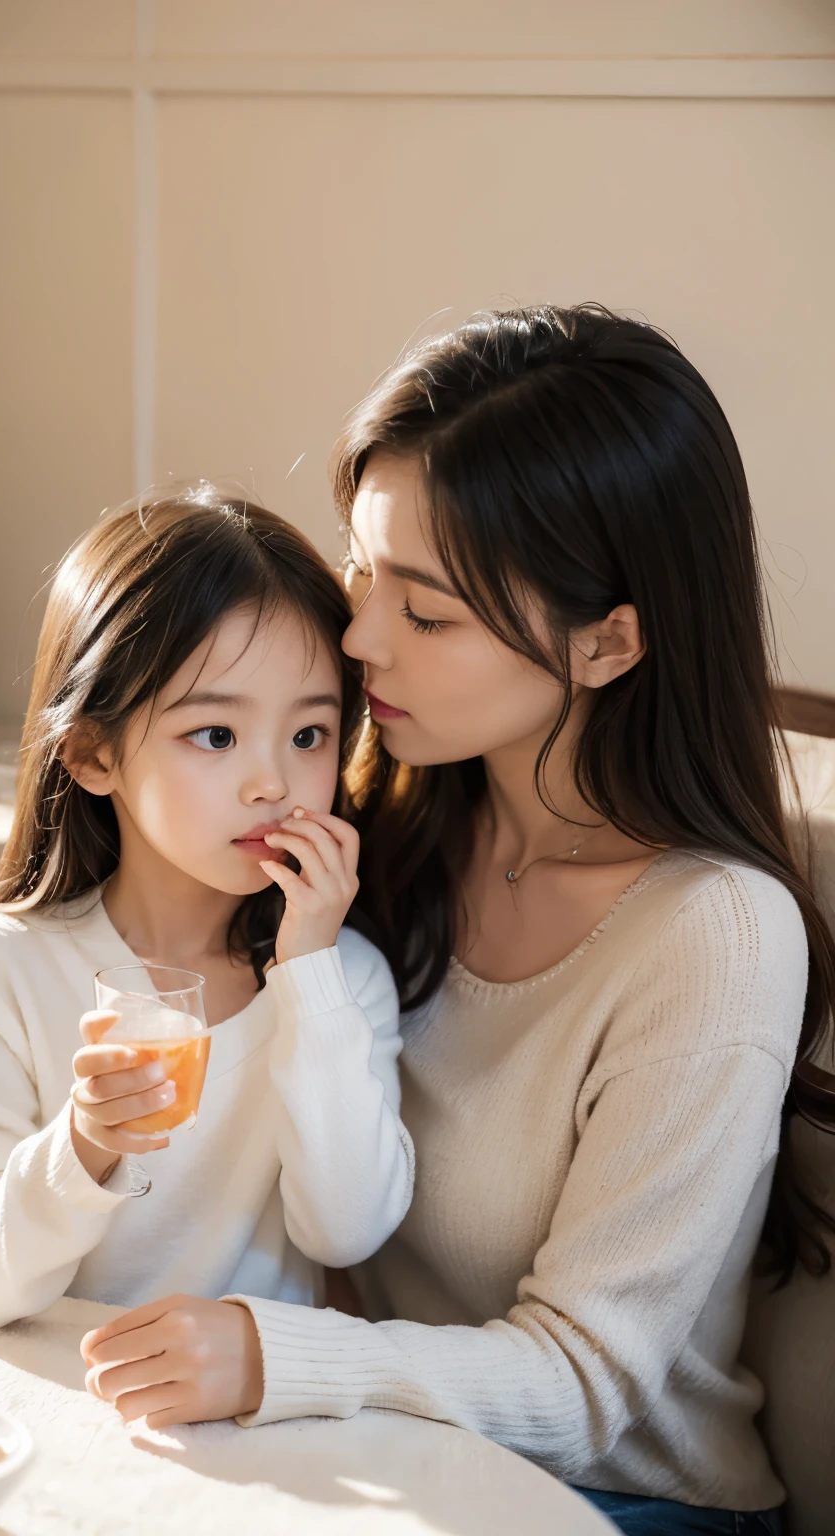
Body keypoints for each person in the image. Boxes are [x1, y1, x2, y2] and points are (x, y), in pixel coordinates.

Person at [81, 308, 835, 1536]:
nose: (359, 638)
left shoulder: (713, 937)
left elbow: (590, 1384)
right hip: (374, 1468)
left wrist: (277, 1361)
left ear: (606, 643)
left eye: (427, 615)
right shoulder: (367, 828)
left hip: (620, 1502)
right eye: (362, 572)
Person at [0, 487, 414, 1338]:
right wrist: (83, 1143)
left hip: (251, 1430)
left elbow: (346, 1229)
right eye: (216, 736)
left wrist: (309, 971)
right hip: (65, 1421)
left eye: (309, 735)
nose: (274, 782)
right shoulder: (3, 969)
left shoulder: (342, 980)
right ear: (92, 752)